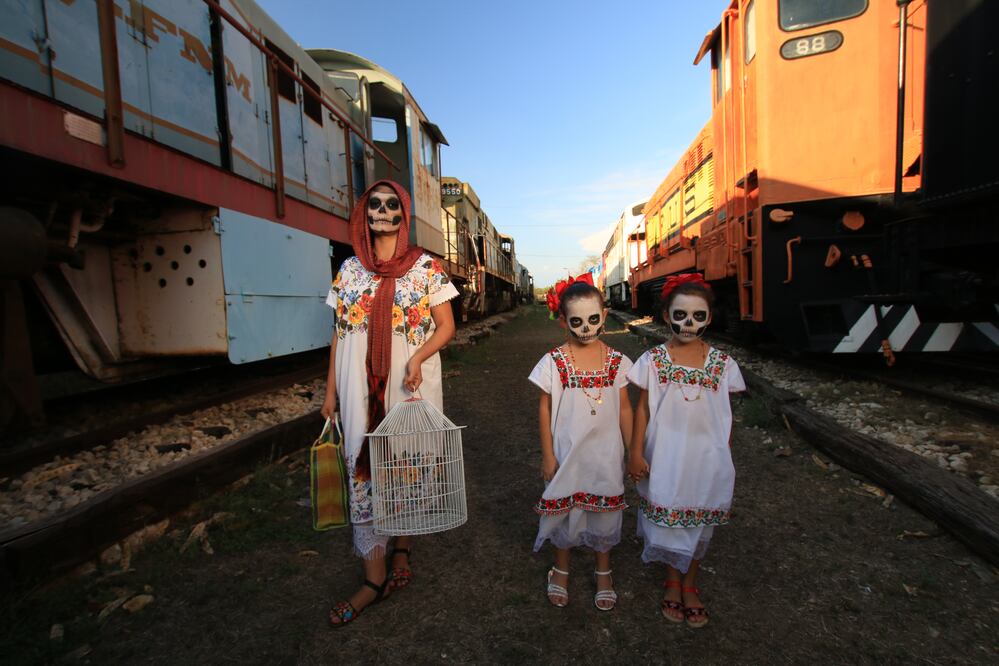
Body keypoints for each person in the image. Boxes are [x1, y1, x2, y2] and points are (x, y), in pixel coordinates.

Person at [321, 180, 458, 627]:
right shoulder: (349, 271)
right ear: (364, 214)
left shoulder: (426, 268)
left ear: (404, 215)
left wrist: (417, 356)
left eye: (392, 205)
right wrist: (329, 394)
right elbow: (339, 335)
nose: (383, 212)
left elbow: (445, 327)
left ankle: (401, 546)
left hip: (407, 381)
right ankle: (374, 579)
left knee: (401, 461)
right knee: (365, 466)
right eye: (374, 205)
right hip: (357, 387)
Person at [627, 273, 745, 628]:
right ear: (666, 316)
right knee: (669, 516)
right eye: (680, 316)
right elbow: (642, 408)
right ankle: (672, 580)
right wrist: (635, 451)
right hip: (664, 455)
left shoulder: (723, 365)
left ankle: (690, 583)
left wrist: (724, 454)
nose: (688, 324)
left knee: (699, 520)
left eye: (697, 316)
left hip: (706, 458)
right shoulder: (653, 361)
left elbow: (726, 415)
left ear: (709, 318)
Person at [528, 275, 633, 611]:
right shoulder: (554, 362)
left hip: (605, 453)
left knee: (605, 511)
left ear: (604, 314)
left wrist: (633, 451)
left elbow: (626, 408)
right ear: (563, 322)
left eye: (593, 319)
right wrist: (547, 454)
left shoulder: (617, 361)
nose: (586, 328)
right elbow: (544, 407)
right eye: (577, 321)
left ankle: (604, 571)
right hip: (565, 452)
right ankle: (561, 567)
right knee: (565, 509)